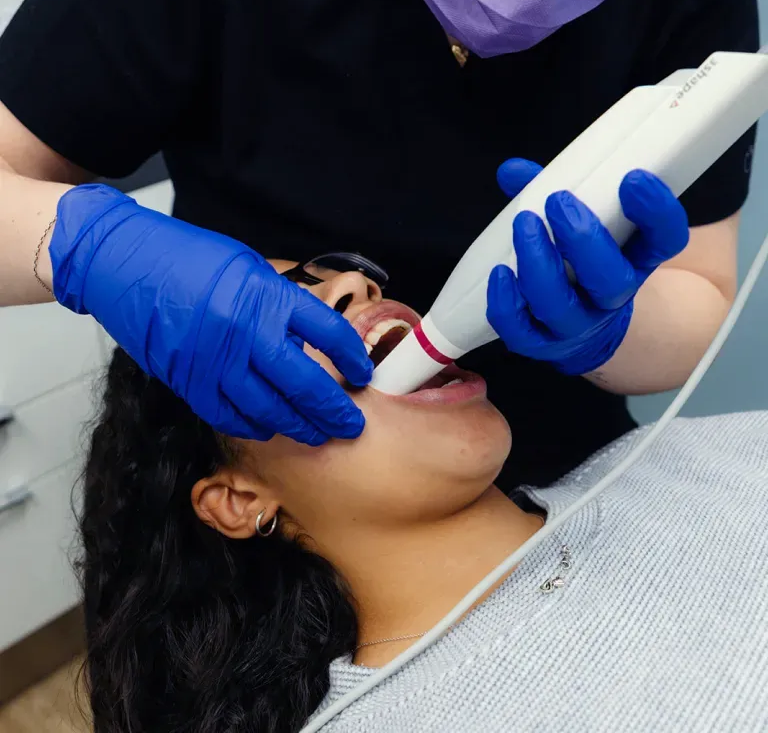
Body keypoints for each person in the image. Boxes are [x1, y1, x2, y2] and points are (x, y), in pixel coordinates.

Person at [0, 0, 759, 486]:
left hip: (567, 464)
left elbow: (699, 287)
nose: (363, 285)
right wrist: (87, 248)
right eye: (321, 290)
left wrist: (613, 327)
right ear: (239, 508)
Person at [79, 259, 768, 733]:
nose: (356, 281)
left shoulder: (698, 453)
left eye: (337, 270)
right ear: (237, 498)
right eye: (269, 314)